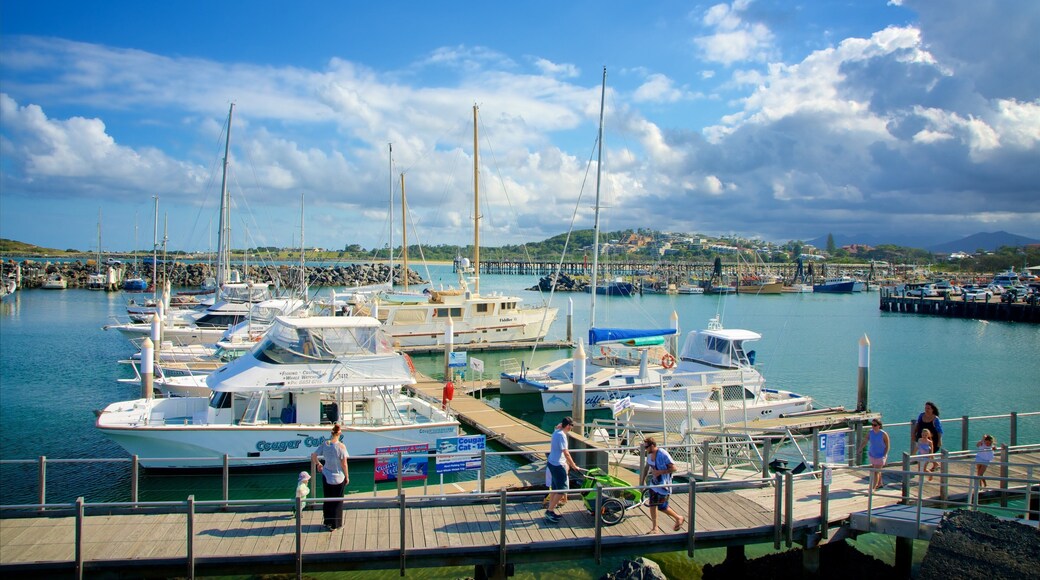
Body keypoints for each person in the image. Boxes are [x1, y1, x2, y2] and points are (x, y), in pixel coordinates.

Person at [641, 437, 685, 534]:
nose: (646, 449)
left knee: (662, 507)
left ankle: (679, 517)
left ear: (652, 445)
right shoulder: (649, 455)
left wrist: (660, 472)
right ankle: (655, 528)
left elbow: (674, 468)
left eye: (647, 447)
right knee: (652, 504)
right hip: (654, 484)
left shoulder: (663, 454)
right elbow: (646, 467)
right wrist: (642, 481)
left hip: (664, 485)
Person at [311, 424, 349, 531]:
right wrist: (347, 476)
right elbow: (344, 464)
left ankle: (327, 522)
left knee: (327, 499)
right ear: (339, 433)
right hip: (338, 476)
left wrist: (318, 464)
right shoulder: (341, 447)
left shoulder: (325, 444)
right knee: (338, 501)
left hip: (326, 474)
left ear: (331, 433)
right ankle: (336, 524)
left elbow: (313, 455)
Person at [544, 417, 579, 523]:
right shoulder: (562, 436)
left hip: (551, 463)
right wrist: (573, 465)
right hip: (558, 465)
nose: (572, 428)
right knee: (562, 489)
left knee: (555, 488)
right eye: (571, 426)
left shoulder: (556, 431)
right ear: (568, 426)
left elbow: (558, 426)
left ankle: (550, 510)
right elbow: (566, 452)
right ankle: (549, 511)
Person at [858, 419, 890, 490]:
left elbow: (887, 445)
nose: (873, 426)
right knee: (877, 470)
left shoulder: (883, 434)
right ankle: (880, 483)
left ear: (879, 425)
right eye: (872, 425)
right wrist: (860, 448)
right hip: (872, 454)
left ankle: (873, 488)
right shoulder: (870, 432)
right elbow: (865, 440)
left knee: (876, 472)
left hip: (881, 455)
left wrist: (884, 455)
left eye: (875, 425)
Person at [914, 402, 944, 466]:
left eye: (928, 408)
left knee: (929, 451)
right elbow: (917, 425)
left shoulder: (935, 419)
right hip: (921, 437)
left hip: (932, 439)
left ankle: (926, 468)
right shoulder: (921, 415)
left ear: (932, 409)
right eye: (925, 408)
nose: (926, 410)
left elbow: (939, 431)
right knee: (924, 451)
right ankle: (934, 464)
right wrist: (913, 434)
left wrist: (940, 440)